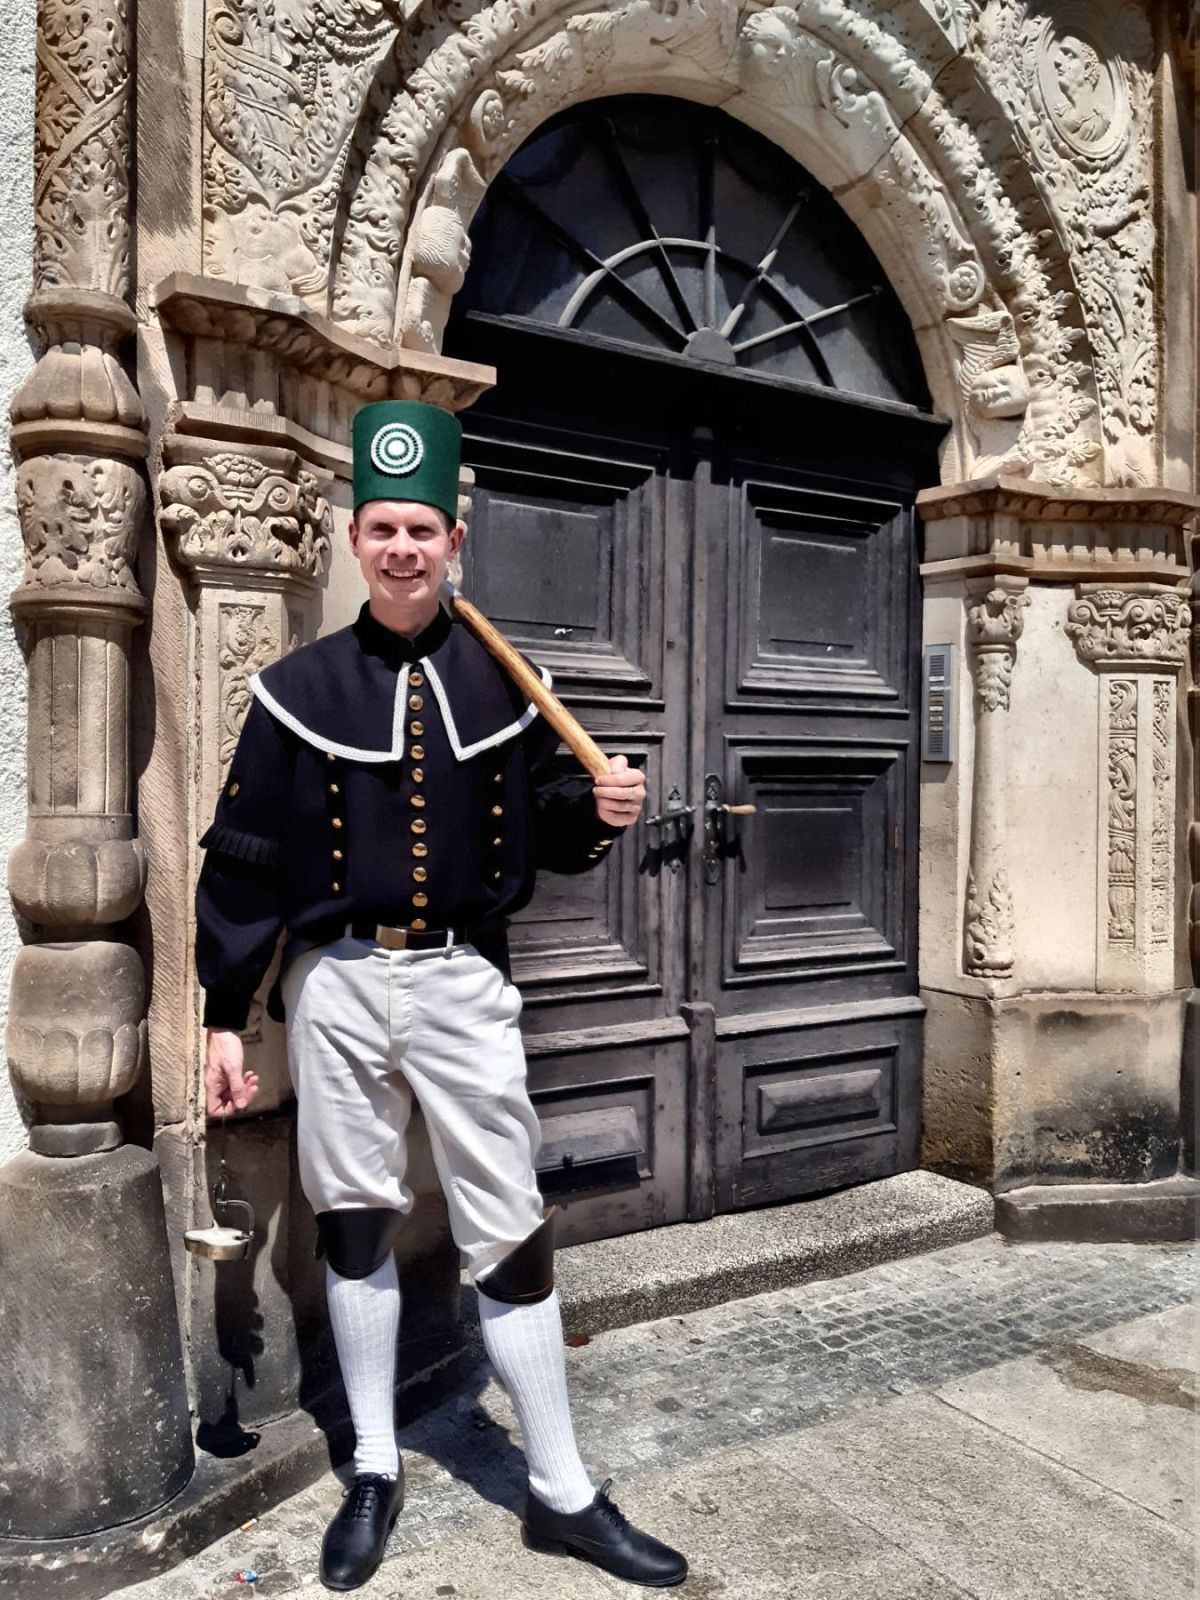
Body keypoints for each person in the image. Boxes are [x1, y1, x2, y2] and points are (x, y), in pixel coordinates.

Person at [196, 400, 688, 1592]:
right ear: (356, 542)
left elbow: (544, 828)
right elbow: (244, 856)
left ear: (454, 540)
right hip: (337, 984)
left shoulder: (508, 681)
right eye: (385, 530)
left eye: (425, 529)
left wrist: (599, 814)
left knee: (508, 1222)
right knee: (355, 1216)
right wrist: (224, 1013)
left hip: (464, 980)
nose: (405, 549)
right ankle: (373, 1464)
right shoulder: (293, 690)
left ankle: (561, 1488)